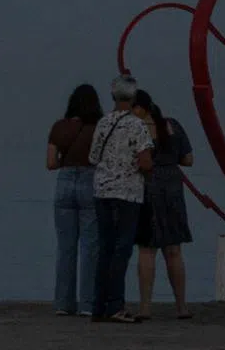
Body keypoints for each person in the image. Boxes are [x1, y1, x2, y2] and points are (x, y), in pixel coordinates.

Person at [88, 74, 154, 323]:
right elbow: (145, 161)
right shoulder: (138, 125)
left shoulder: (103, 123)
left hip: (102, 191)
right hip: (127, 193)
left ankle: (98, 305)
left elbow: (93, 158)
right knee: (122, 249)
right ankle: (115, 304)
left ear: (113, 96)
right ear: (134, 97)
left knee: (105, 248)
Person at [131, 89, 195, 320]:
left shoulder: (136, 129)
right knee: (174, 250)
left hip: (147, 186)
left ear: (140, 108)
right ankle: (181, 307)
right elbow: (188, 159)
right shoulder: (172, 125)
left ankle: (145, 307)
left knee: (147, 250)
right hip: (173, 187)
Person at [46, 83, 104, 316]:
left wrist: (66, 164)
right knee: (90, 247)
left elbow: (50, 163)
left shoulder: (59, 127)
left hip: (65, 182)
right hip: (90, 182)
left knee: (66, 248)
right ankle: (87, 305)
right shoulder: (99, 127)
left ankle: (63, 303)